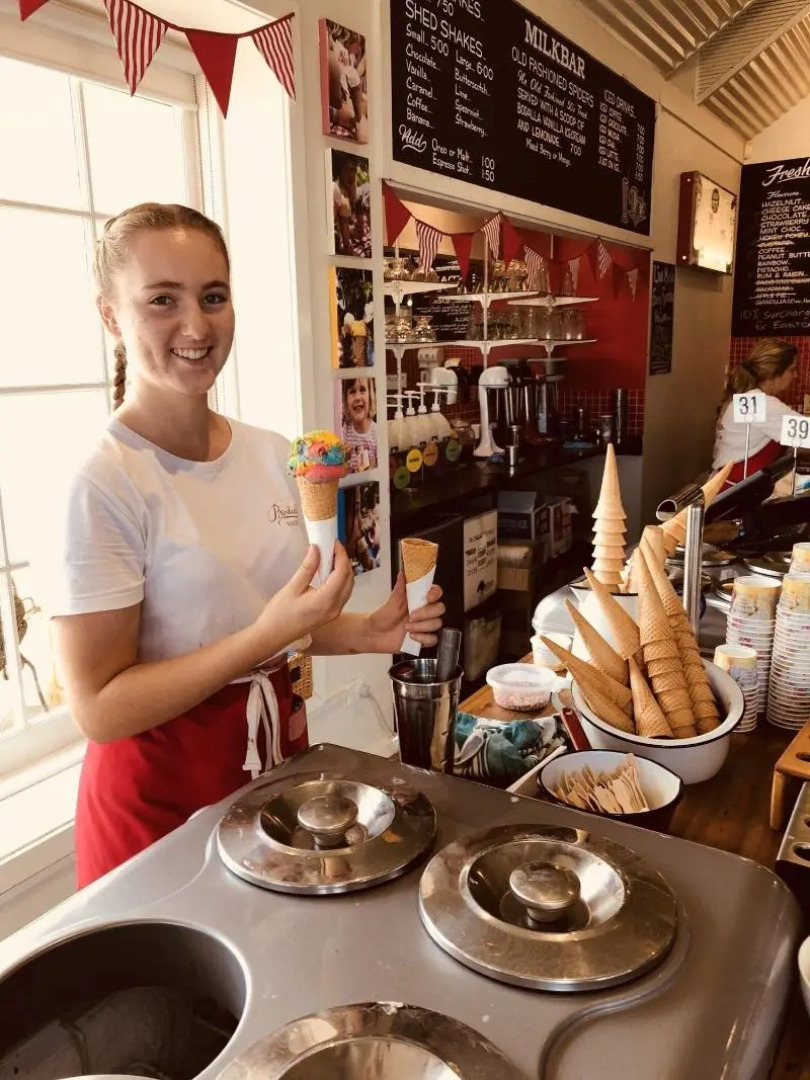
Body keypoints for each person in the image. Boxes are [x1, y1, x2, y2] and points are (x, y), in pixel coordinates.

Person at [49, 203, 444, 888]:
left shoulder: (269, 453)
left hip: (270, 779)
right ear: (112, 315)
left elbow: (268, 622)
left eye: (213, 297)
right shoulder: (104, 483)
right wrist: (266, 635)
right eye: (162, 301)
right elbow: (100, 708)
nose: (196, 326)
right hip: (157, 812)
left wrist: (364, 634)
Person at [713, 338, 805, 485]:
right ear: (775, 373)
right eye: (792, 369)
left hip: (730, 483)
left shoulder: (748, 396)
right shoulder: (761, 404)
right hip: (736, 490)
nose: (795, 376)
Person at [341, 377, 377, 472]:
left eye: (362, 390)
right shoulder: (343, 435)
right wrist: (343, 460)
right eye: (352, 392)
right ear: (345, 400)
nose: (357, 397)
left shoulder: (377, 433)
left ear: (370, 396)